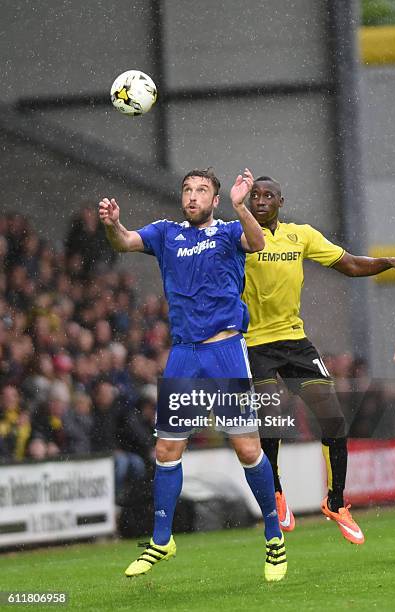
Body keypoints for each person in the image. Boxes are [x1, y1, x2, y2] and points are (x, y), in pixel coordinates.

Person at [99, 168, 287, 582]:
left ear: (215, 200)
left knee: (246, 450)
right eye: (187, 189)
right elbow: (126, 241)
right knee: (166, 452)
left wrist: (242, 206)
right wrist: (114, 224)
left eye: (202, 190)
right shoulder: (166, 233)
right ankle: (162, 539)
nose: (193, 196)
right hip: (184, 354)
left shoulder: (228, 231)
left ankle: (274, 537)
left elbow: (256, 242)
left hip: (224, 351)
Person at [242, 175, 395, 545]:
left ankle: (336, 503)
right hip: (254, 342)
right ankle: (275, 493)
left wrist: (388, 261)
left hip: (295, 342)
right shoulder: (238, 237)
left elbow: (348, 264)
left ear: (281, 202)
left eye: (269, 195)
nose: (261, 200)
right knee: (272, 418)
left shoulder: (300, 235)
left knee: (333, 418)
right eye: (255, 195)